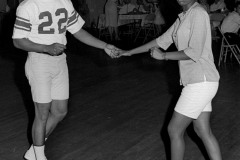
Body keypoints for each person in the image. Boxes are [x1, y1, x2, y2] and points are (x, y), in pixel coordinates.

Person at [12, 0, 121, 159]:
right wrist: (46, 48)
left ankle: (33, 151)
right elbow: (18, 41)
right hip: (39, 61)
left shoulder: (65, 2)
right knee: (42, 113)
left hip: (60, 61)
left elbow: (78, 31)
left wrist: (104, 45)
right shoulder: (29, 5)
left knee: (60, 111)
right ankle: (39, 156)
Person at [120, 0, 222, 160]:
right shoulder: (184, 16)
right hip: (201, 81)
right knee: (203, 130)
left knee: (174, 130)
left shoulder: (198, 13)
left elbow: (194, 51)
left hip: (200, 81)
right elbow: (160, 41)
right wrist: (130, 52)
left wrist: (164, 56)